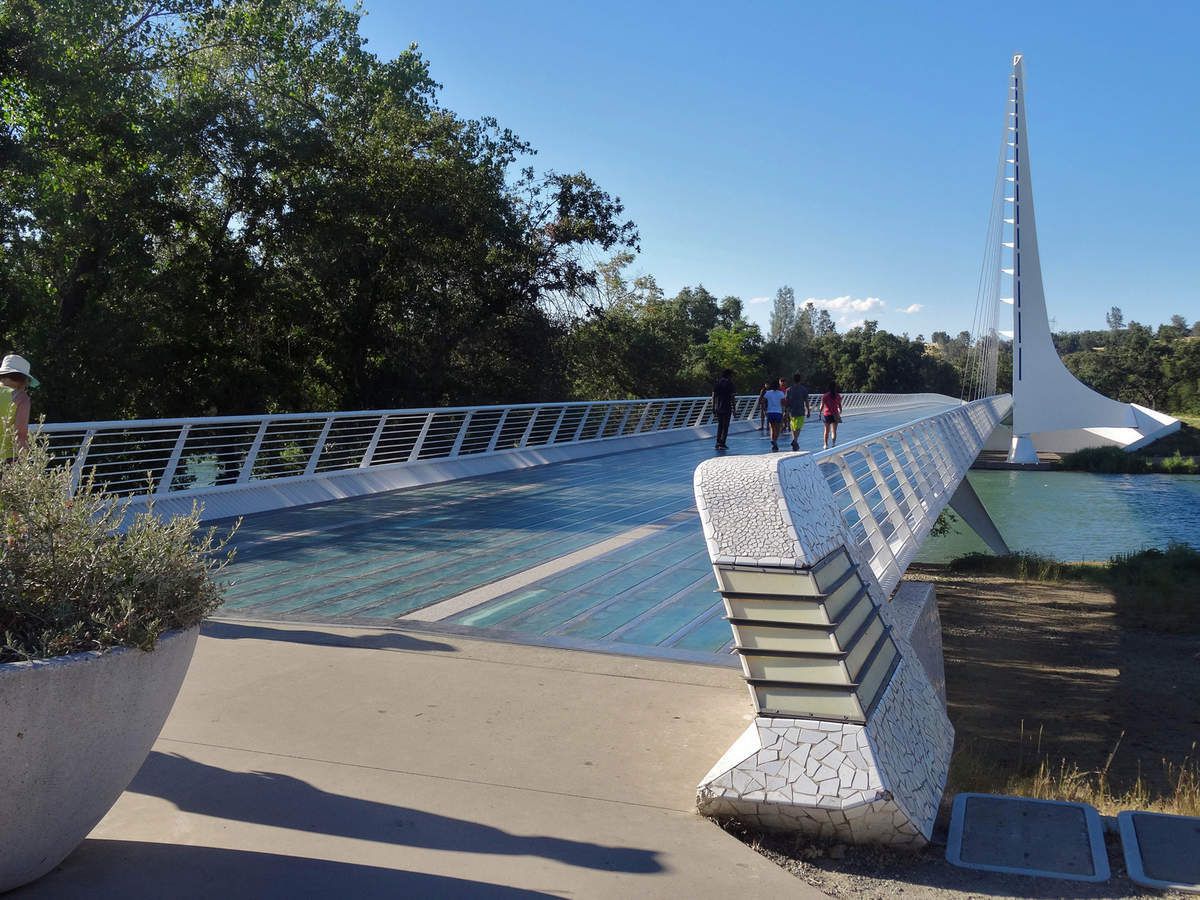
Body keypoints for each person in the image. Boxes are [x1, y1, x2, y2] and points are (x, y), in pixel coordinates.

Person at [0, 354, 36, 461]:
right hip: (7, 459)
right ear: (24, 379)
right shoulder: (21, 398)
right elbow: (20, 435)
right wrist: (26, 465)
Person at [785, 373, 810, 452]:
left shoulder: (788, 390)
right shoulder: (803, 389)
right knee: (798, 427)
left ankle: (794, 441)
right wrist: (808, 410)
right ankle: (795, 440)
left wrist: (786, 411)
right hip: (800, 410)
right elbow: (806, 401)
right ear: (800, 380)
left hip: (791, 411)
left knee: (793, 426)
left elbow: (786, 401)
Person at [711, 369, 735, 451]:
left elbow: (713, 395)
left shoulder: (717, 383)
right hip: (727, 407)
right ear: (728, 375)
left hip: (719, 407)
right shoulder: (730, 383)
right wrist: (734, 408)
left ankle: (717, 443)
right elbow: (732, 397)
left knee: (720, 425)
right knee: (726, 426)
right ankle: (722, 443)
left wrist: (713, 406)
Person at [763, 378, 787, 452]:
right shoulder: (780, 393)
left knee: (772, 428)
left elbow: (763, 401)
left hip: (770, 412)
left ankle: (773, 440)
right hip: (778, 412)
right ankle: (775, 441)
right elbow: (783, 403)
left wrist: (764, 410)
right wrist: (785, 411)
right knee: (778, 428)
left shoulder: (768, 393)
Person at [821, 381, 842, 450]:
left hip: (827, 414)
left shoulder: (825, 396)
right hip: (835, 414)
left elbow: (822, 406)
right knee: (834, 431)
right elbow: (839, 405)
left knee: (826, 431)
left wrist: (820, 412)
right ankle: (833, 443)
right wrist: (840, 411)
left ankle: (825, 444)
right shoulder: (838, 396)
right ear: (835, 387)